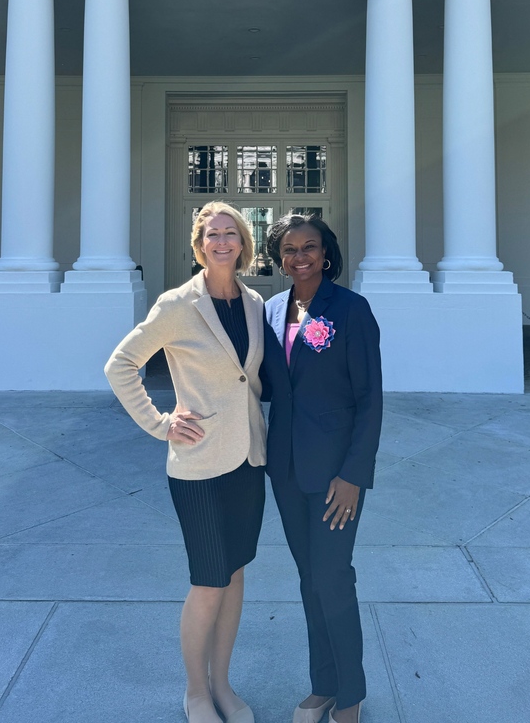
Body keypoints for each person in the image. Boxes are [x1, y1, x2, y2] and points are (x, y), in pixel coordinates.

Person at [105, 201, 267, 723]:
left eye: (231, 233)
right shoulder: (177, 304)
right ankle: (195, 691)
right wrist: (160, 423)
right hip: (198, 466)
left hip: (248, 459)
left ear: (243, 242)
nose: (222, 242)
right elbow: (121, 364)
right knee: (208, 580)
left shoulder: (255, 303)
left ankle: (223, 683)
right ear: (199, 245)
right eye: (212, 235)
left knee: (236, 573)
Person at [260, 213, 383, 723]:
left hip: (336, 475)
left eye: (310, 247)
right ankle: (323, 685)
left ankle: (350, 696)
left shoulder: (351, 310)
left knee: (333, 577)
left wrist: (354, 474)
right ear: (279, 257)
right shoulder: (268, 310)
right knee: (310, 578)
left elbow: (369, 399)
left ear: (326, 253)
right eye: (289, 249)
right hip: (286, 469)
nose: (300, 257)